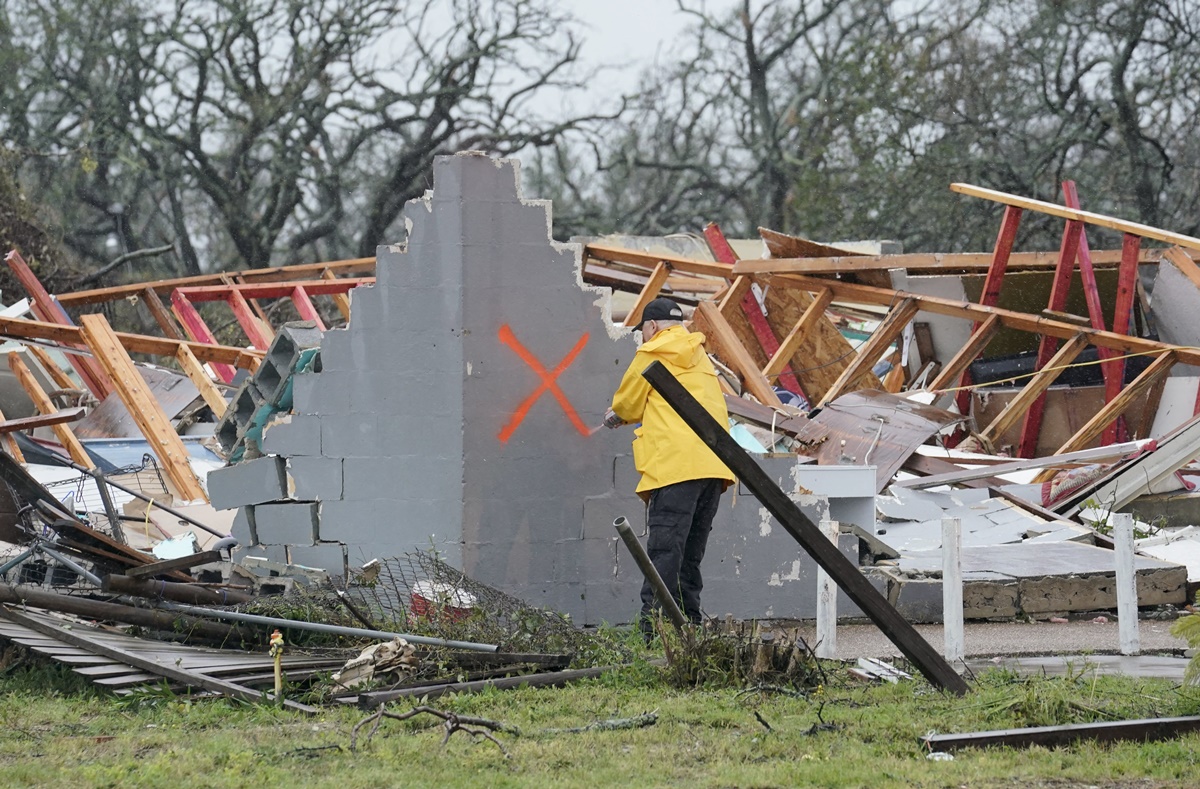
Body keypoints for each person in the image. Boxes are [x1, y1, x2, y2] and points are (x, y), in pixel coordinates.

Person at [605, 297, 734, 634]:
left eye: (643, 332)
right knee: (690, 555)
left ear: (651, 327)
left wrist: (614, 416)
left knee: (664, 552)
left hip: (677, 468)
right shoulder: (700, 357)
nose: (643, 338)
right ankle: (689, 628)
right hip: (714, 470)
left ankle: (652, 633)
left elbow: (628, 403)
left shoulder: (652, 352)